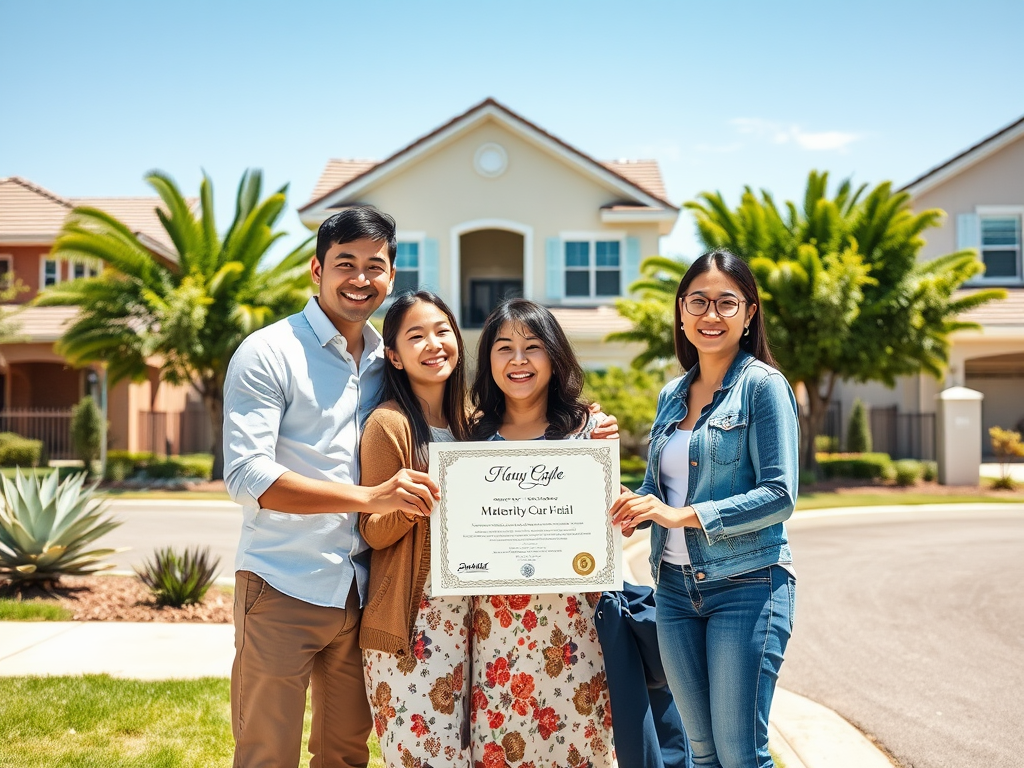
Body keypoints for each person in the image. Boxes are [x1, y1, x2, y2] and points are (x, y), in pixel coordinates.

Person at [223, 207, 439, 768]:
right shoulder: (269, 352)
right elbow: (248, 476)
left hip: (362, 595)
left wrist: (580, 422)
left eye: (375, 266)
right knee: (266, 753)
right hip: (281, 584)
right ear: (316, 269)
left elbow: (461, 410)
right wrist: (369, 498)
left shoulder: (387, 359)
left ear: (392, 276)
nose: (361, 278)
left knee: (345, 753)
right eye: (346, 263)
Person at [610, 249, 799, 768]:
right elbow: (657, 485)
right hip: (673, 590)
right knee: (702, 752)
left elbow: (780, 495)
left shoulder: (763, 386)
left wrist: (685, 516)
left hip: (748, 585)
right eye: (698, 302)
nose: (710, 315)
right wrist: (621, 491)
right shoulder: (673, 393)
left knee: (741, 754)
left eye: (726, 303)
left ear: (749, 312)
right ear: (680, 312)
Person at [468, 298, 615, 768]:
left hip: (573, 629)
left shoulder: (586, 432)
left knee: (578, 748)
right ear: (487, 359)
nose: (518, 360)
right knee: (504, 748)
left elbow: (609, 525)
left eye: (532, 347)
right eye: (504, 347)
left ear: (554, 356)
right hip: (496, 633)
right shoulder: (471, 439)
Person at [358, 291, 475, 768]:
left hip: (479, 618)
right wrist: (414, 505)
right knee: (425, 758)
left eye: (443, 331)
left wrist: (590, 427)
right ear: (394, 356)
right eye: (416, 336)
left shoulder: (473, 423)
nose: (434, 344)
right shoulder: (389, 424)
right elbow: (373, 531)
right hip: (416, 622)